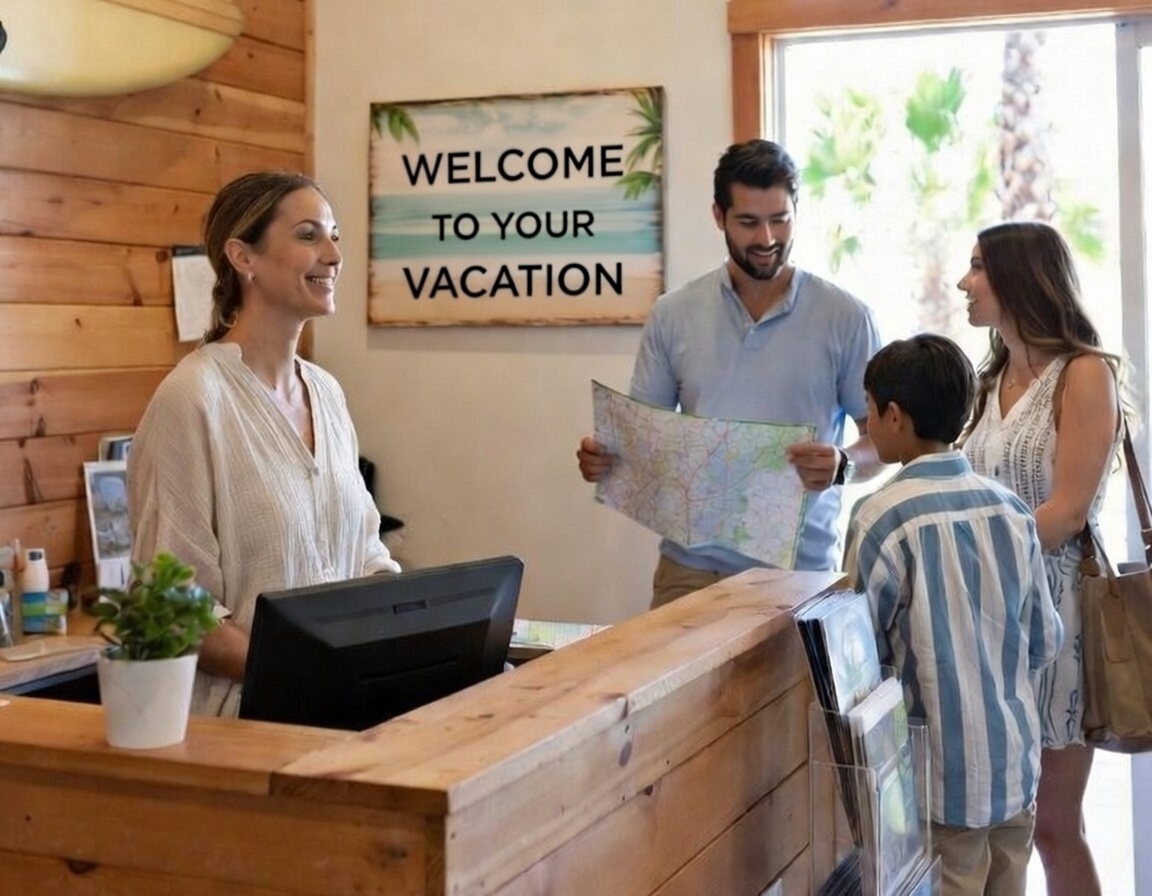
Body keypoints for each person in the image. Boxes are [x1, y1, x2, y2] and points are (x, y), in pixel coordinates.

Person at [128, 171, 400, 717]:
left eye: (334, 235)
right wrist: (305, 677)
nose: (333, 255)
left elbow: (366, 553)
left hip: (347, 716)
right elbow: (175, 607)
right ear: (243, 257)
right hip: (244, 728)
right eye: (308, 235)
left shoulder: (327, 393)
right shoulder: (192, 398)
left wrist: (404, 639)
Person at [576, 139, 884, 607]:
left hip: (801, 576)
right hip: (690, 570)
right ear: (719, 216)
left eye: (780, 219)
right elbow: (643, 441)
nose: (767, 238)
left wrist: (844, 463)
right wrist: (607, 459)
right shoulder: (674, 314)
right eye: (748, 222)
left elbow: (883, 442)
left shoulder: (847, 317)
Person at [844, 334, 1062, 896]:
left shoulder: (880, 519)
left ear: (894, 416)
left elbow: (858, 664)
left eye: (869, 410)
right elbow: (1044, 641)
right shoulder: (1011, 509)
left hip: (938, 783)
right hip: (1015, 770)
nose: (868, 424)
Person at [958, 221, 1121, 896]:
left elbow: (1068, 510)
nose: (964, 282)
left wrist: (969, 562)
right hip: (988, 617)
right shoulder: (988, 378)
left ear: (1018, 278)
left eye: (977, 268)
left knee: (1053, 824)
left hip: (1056, 614)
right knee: (1007, 820)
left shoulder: (1083, 373)